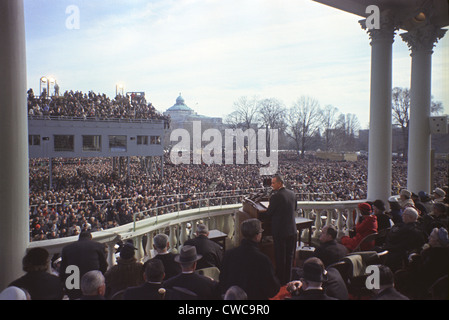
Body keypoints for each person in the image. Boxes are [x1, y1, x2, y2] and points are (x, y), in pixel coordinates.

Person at [219, 218, 281, 300]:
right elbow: (272, 290)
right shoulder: (263, 260)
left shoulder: (228, 254)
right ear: (257, 235)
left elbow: (222, 282)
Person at [259, 175, 297, 285]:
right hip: (292, 230)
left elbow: (269, 213)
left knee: (280, 257)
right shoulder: (292, 194)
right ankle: (288, 279)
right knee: (289, 257)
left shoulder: (276, 197)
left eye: (273, 183)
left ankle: (280, 281)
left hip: (281, 231)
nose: (271, 185)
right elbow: (294, 209)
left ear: (280, 183)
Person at [59, 230, 108, 299]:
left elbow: (63, 270)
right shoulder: (98, 246)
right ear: (90, 238)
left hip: (73, 285)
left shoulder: (66, 248)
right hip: (93, 285)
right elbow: (103, 266)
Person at [382, 207, 426, 272]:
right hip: (403, 251)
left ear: (410, 217)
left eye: (404, 214)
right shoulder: (419, 227)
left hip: (398, 253)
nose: (402, 215)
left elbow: (393, 239)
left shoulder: (408, 229)